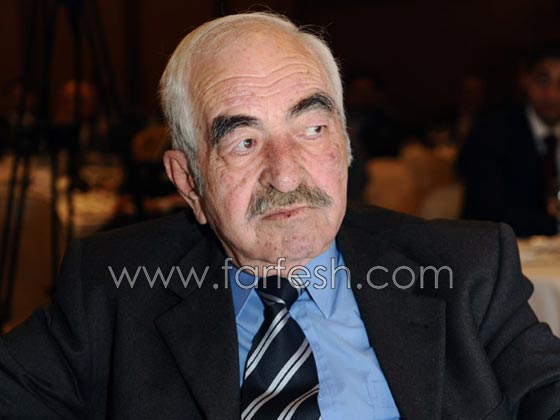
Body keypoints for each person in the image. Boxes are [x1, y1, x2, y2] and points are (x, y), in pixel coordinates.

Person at [1, 12, 560, 420]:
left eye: (312, 129)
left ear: (345, 145)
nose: (286, 176)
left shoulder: (466, 273)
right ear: (188, 182)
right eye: (244, 142)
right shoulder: (112, 291)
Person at [458, 46, 560, 237]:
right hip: (498, 246)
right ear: (525, 79)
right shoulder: (490, 134)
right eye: (543, 80)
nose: (552, 94)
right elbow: (490, 212)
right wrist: (554, 225)